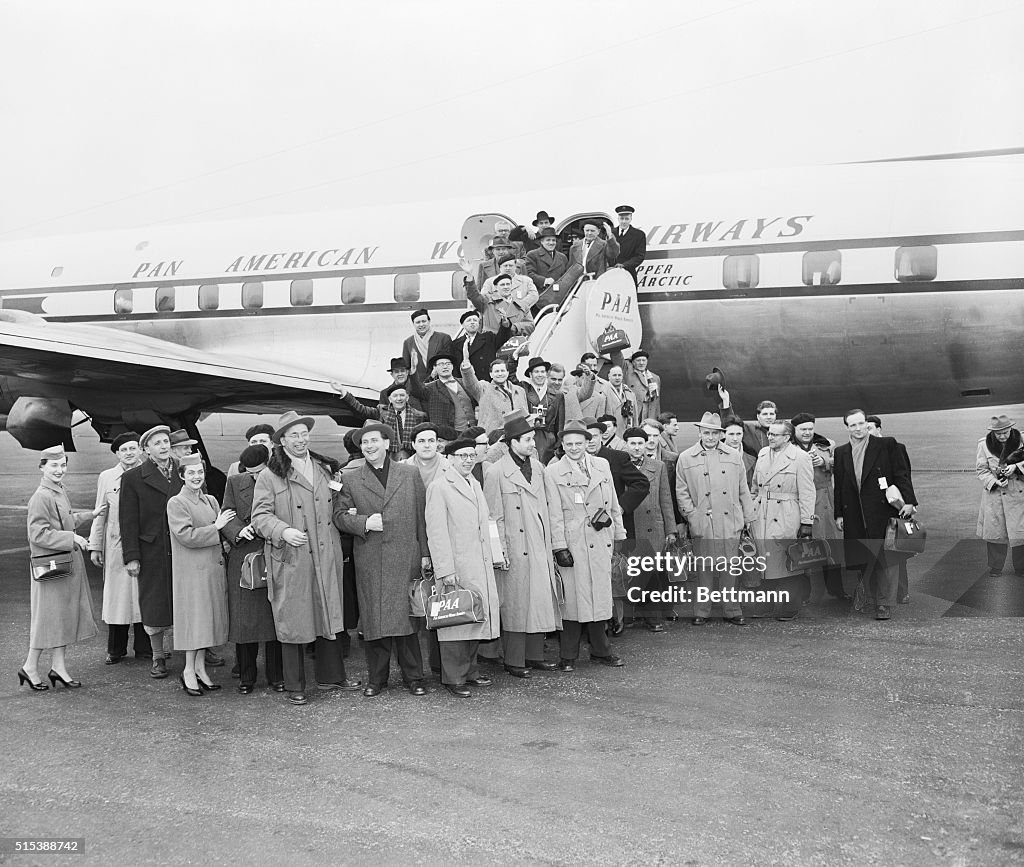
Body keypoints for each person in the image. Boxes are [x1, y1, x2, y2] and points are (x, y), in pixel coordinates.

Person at [250, 411, 360, 706]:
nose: (300, 440)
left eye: (303, 434)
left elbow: (337, 503)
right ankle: (295, 684)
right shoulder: (269, 475)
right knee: (294, 619)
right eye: (293, 435)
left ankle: (331, 676)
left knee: (329, 612)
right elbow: (260, 516)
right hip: (293, 556)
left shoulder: (324, 468)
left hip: (326, 554)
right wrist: (283, 531)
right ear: (282, 440)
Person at [334, 421, 430, 698]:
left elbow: (422, 517)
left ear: (387, 444)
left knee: (408, 621)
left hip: (405, 556)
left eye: (374, 441)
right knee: (375, 622)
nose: (369, 446)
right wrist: (364, 523)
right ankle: (377, 679)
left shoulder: (410, 474)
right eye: (364, 443)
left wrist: (424, 553)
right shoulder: (350, 478)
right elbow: (339, 516)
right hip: (371, 558)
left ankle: (414, 677)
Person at [483, 413, 565, 678]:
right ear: (512, 443)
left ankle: (535, 655)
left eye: (532, 439)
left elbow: (550, 507)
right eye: (528, 439)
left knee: (539, 601)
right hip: (514, 548)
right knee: (516, 605)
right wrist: (500, 552)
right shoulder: (496, 472)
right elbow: (493, 517)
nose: (533, 444)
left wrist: (554, 543)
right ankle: (515, 660)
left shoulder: (539, 467)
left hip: (538, 545)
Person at [424, 439, 502, 697]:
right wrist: (445, 569)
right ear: (449, 458)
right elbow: (436, 532)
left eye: (471, 455)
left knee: (474, 617)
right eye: (462, 456)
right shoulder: (439, 487)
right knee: (455, 621)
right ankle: (454, 677)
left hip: (478, 562)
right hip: (456, 565)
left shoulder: (475, 483)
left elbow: (485, 523)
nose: (468, 460)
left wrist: (494, 554)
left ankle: (470, 671)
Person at [19, 446, 99, 691]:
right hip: (52, 567)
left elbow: (64, 520)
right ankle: (31, 667)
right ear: (42, 467)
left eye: (63, 465)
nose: (60, 470)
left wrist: (90, 515)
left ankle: (58, 667)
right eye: (54, 465)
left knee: (61, 618)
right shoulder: (42, 496)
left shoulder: (59, 491)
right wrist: (72, 538)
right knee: (49, 619)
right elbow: (38, 534)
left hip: (63, 566)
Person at [548, 421, 626, 670]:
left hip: (601, 539)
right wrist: (559, 546)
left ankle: (601, 651)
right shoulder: (553, 472)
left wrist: (619, 533)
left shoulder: (602, 465)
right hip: (574, 544)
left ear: (587, 443)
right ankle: (567, 656)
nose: (574, 448)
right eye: (569, 444)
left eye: (578, 443)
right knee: (573, 601)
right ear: (562, 445)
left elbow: (613, 502)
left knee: (600, 599)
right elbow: (554, 513)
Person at [833, 409, 916, 621]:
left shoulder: (886, 445)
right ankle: (871, 597)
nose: (858, 428)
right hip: (855, 513)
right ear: (847, 427)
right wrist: (839, 514)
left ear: (867, 423)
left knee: (886, 558)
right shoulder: (841, 452)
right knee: (864, 557)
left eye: (861, 423)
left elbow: (901, 474)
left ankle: (884, 603)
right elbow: (840, 486)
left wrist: (909, 502)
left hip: (882, 511)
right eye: (853, 425)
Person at [676, 412, 754, 626]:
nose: (710, 437)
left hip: (729, 520)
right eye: (706, 432)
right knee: (704, 569)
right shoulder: (686, 457)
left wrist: (747, 516)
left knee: (730, 568)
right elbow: (681, 491)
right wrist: (692, 515)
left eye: (714, 433)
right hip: (703, 521)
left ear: (721, 434)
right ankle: (702, 610)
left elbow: (743, 488)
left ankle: (732, 610)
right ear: (699, 432)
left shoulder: (733, 455)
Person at [119, 425, 183, 679]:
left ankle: (201, 648)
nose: (164, 446)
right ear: (146, 450)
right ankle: (158, 656)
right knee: (154, 604)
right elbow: (128, 520)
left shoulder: (184, 469)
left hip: (182, 546)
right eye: (157, 443)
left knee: (190, 599)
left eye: (166, 441)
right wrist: (131, 556)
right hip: (153, 549)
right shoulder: (133, 477)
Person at [167, 454, 234, 696]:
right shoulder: (177, 503)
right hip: (192, 573)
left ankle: (200, 668)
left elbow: (222, 534)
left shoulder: (211, 500)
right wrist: (215, 528)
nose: (196, 477)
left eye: (200, 472)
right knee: (195, 622)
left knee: (206, 622)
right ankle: (187, 670)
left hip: (212, 569)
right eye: (191, 473)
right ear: (182, 475)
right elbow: (186, 536)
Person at [221, 445, 284, 694]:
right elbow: (227, 511)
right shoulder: (236, 482)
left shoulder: (281, 480)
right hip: (244, 555)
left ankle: (276, 676)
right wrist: (238, 530)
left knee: (273, 620)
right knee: (244, 622)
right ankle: (246, 677)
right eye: (251, 473)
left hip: (273, 552)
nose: (255, 477)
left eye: (259, 472)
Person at [89, 431, 152, 665]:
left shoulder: (147, 472)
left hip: (143, 542)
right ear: (117, 453)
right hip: (115, 544)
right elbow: (100, 512)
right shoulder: (107, 477)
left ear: (140, 450)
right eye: (124, 449)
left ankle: (145, 647)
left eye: (133, 448)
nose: (129, 453)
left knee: (142, 596)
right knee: (117, 598)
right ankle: (115, 649)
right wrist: (95, 546)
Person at [749, 420, 816, 621]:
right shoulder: (762, 454)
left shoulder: (800, 457)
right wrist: (752, 509)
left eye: (775, 434)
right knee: (763, 560)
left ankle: (790, 606)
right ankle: (765, 605)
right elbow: (754, 487)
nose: (770, 437)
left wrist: (806, 523)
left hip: (786, 513)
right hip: (761, 513)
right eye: (769, 433)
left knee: (789, 562)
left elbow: (807, 492)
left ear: (787, 437)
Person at [622, 428, 676, 631]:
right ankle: (627, 615)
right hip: (630, 526)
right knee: (628, 571)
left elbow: (665, 499)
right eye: (632, 443)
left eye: (640, 443)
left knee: (651, 573)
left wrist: (671, 529)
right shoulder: (619, 467)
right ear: (626, 444)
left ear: (646, 445)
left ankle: (652, 617)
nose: (637, 448)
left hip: (653, 526)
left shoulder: (658, 466)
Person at [791, 412, 848, 600]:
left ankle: (836, 589)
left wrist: (824, 462)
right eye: (803, 429)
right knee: (803, 546)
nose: (807, 432)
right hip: (799, 500)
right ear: (794, 430)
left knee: (830, 543)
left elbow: (842, 464)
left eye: (810, 428)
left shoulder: (826, 444)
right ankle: (804, 593)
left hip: (824, 500)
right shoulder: (788, 446)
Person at [866, 414, 917, 603]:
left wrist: (910, 502)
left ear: (879, 429)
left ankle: (901, 591)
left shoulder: (895, 447)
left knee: (897, 550)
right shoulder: (860, 450)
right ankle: (875, 592)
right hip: (871, 509)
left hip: (894, 506)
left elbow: (905, 476)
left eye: (870, 428)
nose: (867, 431)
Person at [976, 413, 1024, 577]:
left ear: (1011, 429)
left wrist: (1016, 467)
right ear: (993, 433)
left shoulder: (1022, 439)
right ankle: (996, 566)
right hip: (995, 494)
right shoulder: (983, 445)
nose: (1002, 436)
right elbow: (982, 470)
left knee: (1021, 532)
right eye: (998, 434)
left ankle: (1021, 567)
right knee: (995, 532)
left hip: (1018, 493)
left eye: (1005, 432)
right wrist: (993, 482)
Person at [330, 380, 427, 459]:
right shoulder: (381, 412)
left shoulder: (419, 416)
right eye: (395, 396)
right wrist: (343, 392)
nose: (399, 398)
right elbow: (361, 410)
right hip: (388, 459)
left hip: (413, 459)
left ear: (407, 397)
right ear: (390, 399)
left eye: (402, 395)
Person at [408, 351, 478, 431]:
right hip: (447, 435)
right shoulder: (430, 388)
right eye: (441, 364)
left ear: (452, 366)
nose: (445, 367)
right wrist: (413, 371)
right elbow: (416, 390)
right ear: (435, 368)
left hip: (471, 432)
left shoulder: (464, 383)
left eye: (448, 364)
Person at [461, 356, 528, 433]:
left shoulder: (520, 391)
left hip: (517, 436)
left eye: (502, 370)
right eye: (496, 371)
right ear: (491, 374)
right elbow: (470, 384)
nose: (500, 374)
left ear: (507, 373)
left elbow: (526, 416)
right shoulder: (483, 388)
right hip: (493, 438)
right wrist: (467, 368)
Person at [522, 356, 565, 464]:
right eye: (536, 372)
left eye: (542, 371)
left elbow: (560, 426)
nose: (540, 375)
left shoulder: (558, 395)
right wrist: (514, 359)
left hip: (548, 443)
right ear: (531, 374)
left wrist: (558, 450)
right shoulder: (523, 390)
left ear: (546, 374)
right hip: (529, 438)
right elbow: (511, 377)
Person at [467, 271, 537, 337]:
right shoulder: (487, 302)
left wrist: (513, 327)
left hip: (514, 343)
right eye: (502, 285)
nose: (506, 287)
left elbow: (530, 326)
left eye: (508, 284)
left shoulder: (521, 304)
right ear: (496, 287)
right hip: (492, 343)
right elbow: (474, 296)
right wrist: (470, 278)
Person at [718, 386, 777, 462]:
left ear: (775, 416)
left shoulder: (784, 432)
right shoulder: (749, 429)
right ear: (758, 416)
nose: (769, 417)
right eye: (765, 414)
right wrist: (725, 400)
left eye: (771, 414)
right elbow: (730, 422)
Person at [451, 309, 511, 382]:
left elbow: (503, 338)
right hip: (466, 383)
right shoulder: (455, 344)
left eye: (475, 320)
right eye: (469, 320)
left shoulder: (489, 338)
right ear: (463, 325)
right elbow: (455, 368)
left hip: (486, 382)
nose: (472, 322)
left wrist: (505, 322)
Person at [559, 221, 620, 290]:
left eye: (592, 231)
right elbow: (570, 268)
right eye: (587, 230)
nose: (589, 233)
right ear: (584, 230)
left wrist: (610, 236)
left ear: (598, 232)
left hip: (596, 283)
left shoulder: (604, 245)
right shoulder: (574, 247)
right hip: (578, 284)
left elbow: (613, 254)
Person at [401, 309, 454, 380]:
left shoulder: (443, 338)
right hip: (419, 384)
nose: (421, 324)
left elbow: (450, 362)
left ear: (429, 321)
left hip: (441, 381)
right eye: (418, 322)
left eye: (424, 321)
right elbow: (406, 367)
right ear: (413, 324)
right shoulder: (408, 342)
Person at [525, 227, 569, 308]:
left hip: (559, 298)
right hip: (540, 297)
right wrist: (544, 280)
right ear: (542, 242)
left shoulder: (562, 257)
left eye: (553, 240)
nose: (551, 243)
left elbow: (566, 277)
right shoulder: (533, 255)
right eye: (548, 240)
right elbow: (529, 274)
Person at [402, 422, 449, 489]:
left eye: (431, 441)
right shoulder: (402, 468)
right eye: (421, 441)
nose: (427, 445)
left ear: (436, 443)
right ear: (413, 445)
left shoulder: (450, 467)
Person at [619, 350, 661, 421]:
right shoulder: (628, 372)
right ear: (633, 362)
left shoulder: (655, 378)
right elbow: (618, 358)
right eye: (638, 360)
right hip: (634, 409)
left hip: (649, 410)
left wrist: (657, 416)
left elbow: (657, 401)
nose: (641, 363)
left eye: (643, 360)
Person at [612, 205, 646, 284]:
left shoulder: (639, 235)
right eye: (621, 218)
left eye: (626, 219)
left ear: (631, 219)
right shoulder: (611, 233)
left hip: (629, 273)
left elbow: (639, 256)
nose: (624, 221)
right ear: (618, 219)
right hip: (611, 274)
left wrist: (624, 265)